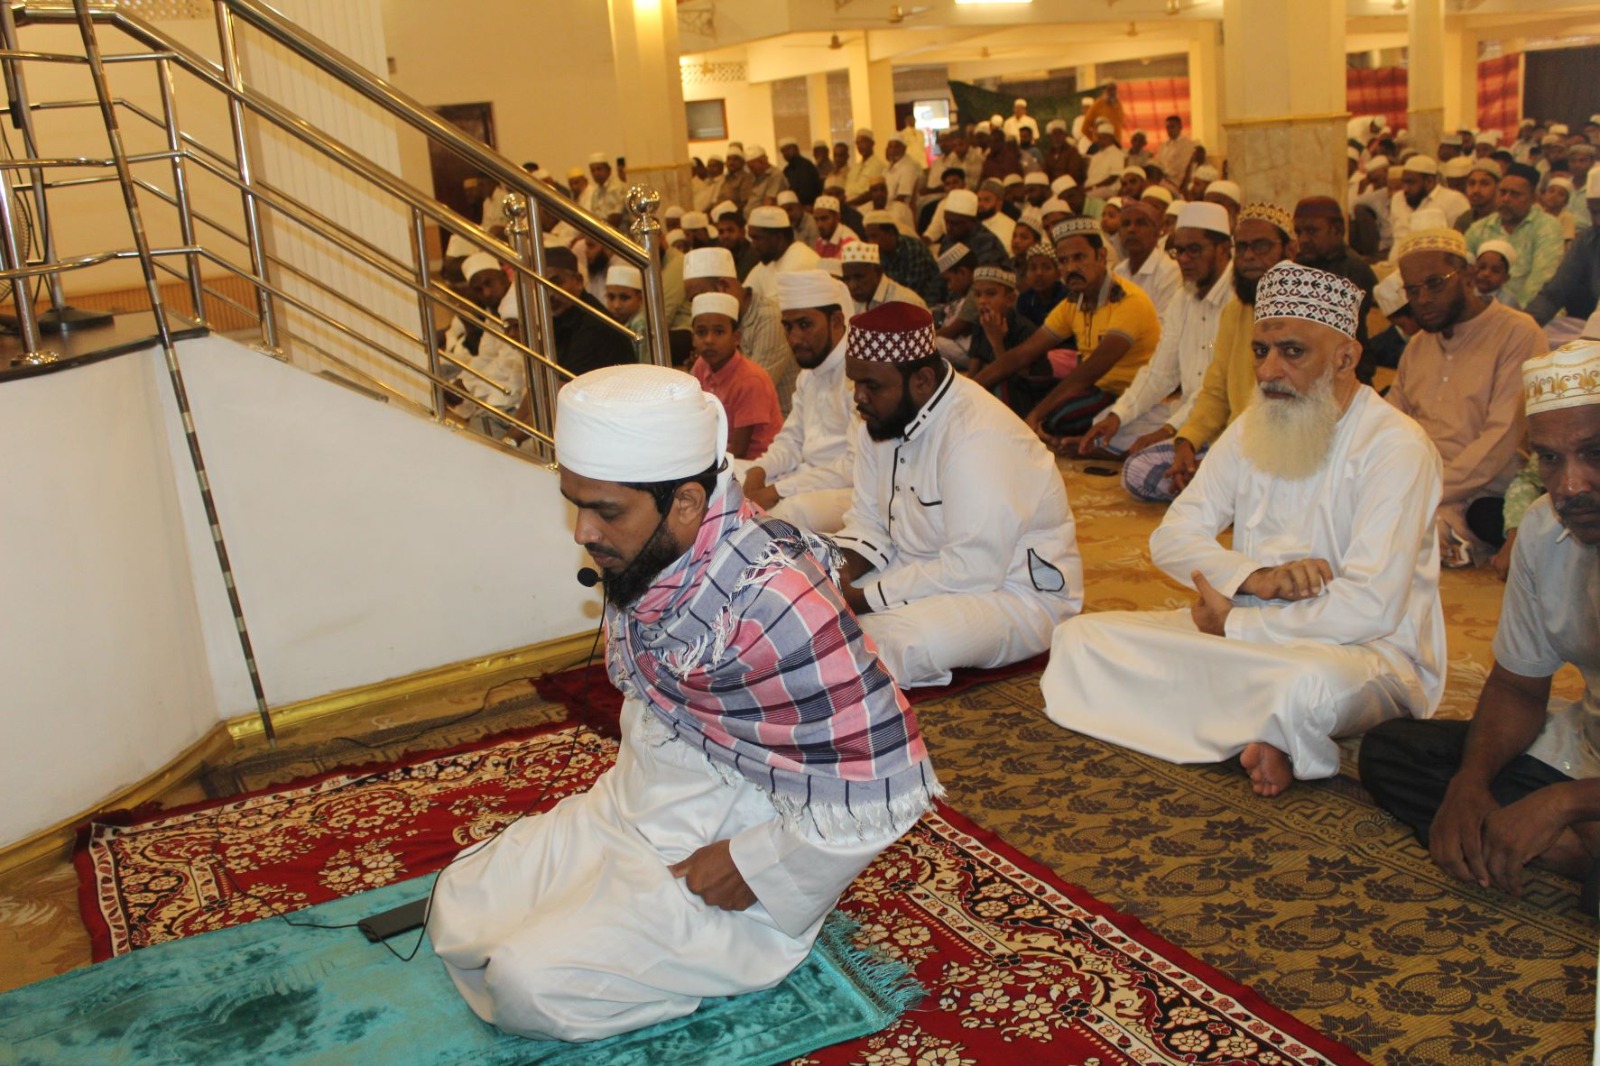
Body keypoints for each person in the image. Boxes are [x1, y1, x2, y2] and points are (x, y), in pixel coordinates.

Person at [430, 363, 939, 1041]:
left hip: (719, 850)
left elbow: (885, 783)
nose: (581, 531)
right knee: (455, 913)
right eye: (575, 501)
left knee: (528, 988)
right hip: (628, 808)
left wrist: (755, 865)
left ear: (689, 504)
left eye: (605, 510)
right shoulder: (652, 559)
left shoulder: (773, 601)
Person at [1041, 261, 1446, 798]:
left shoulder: (1396, 447)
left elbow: (1372, 608)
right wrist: (1255, 578)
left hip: (1365, 653)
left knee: (1301, 687)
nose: (1268, 371)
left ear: (1346, 356)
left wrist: (1237, 627)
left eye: (1292, 352)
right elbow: (1173, 535)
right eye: (1261, 350)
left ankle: (1265, 724)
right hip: (1244, 628)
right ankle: (1259, 734)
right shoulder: (1254, 423)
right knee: (1080, 639)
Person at [1359, 338, 1600, 909]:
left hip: (1583, 792)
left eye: (1594, 452)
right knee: (1395, 752)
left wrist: (1565, 805)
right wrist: (1472, 784)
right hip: (1586, 751)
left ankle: (1569, 849)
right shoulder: (1543, 532)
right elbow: (1518, 687)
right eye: (1549, 459)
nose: (1569, 486)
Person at [832, 302, 1082, 688]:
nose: (859, 398)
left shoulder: (976, 436)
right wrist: (835, 576)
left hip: (1012, 592)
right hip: (921, 567)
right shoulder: (881, 420)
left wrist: (861, 599)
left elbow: (973, 568)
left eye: (872, 386)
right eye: (855, 383)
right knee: (815, 604)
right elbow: (868, 522)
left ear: (922, 381)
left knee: (896, 643)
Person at [1387, 227, 1548, 565]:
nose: (1424, 300)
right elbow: (1389, 423)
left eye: (1435, 283)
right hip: (1418, 490)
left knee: (1401, 536)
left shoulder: (1518, 333)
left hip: (1483, 493)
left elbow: (1501, 440)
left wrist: (1423, 492)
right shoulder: (1418, 346)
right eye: (1413, 291)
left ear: (1468, 273)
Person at [1128, 203, 1296, 503]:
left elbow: (1286, 409)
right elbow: (1215, 390)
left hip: (1282, 446)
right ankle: (1218, 490)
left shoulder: (1303, 317)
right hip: (1230, 441)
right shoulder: (1237, 311)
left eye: (1261, 246)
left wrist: (1222, 459)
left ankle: (1224, 492)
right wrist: (1186, 441)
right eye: (1242, 247)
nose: (1248, 256)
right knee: (1139, 471)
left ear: (1290, 250)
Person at [976, 218, 1163, 436]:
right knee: (1002, 385)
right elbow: (1022, 355)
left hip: (1122, 394)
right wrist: (965, 388)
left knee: (1060, 416)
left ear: (1101, 256)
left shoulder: (1130, 301)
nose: (1071, 268)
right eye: (1063, 261)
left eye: (1079, 257)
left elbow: (1089, 372)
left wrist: (1037, 413)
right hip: (1089, 388)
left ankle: (1030, 423)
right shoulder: (1073, 303)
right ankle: (1028, 424)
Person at [1082, 201, 1234, 458]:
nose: (1184, 259)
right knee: (1104, 428)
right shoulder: (1182, 299)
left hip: (1223, 418)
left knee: (1141, 470)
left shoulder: (1239, 300)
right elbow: (1159, 373)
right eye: (1179, 251)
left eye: (1194, 250)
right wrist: (1117, 416)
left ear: (1223, 250)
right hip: (1183, 410)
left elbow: (1218, 392)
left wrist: (1166, 430)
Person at [738, 271, 858, 534]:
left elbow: (854, 466)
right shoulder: (808, 375)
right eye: (788, 326)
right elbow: (790, 441)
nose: (794, 338)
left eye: (805, 325)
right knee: (729, 473)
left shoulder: (859, 375)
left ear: (837, 321)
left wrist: (779, 490)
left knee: (787, 514)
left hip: (849, 489)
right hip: (803, 477)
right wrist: (760, 470)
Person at [682, 246, 796, 414]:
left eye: (698, 297)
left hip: (775, 427)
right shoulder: (714, 326)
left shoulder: (769, 319)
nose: (697, 306)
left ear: (723, 286)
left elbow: (753, 393)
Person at [688, 293, 783, 461]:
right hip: (716, 454)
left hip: (753, 464)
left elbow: (739, 451)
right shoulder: (701, 366)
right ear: (693, 339)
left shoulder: (750, 380)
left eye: (719, 332)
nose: (709, 340)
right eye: (701, 332)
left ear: (736, 337)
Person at [1465, 163, 1564, 309]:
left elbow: (1542, 278)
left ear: (1533, 198)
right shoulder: (1479, 228)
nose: (1506, 199)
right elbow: (1463, 269)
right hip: (1481, 308)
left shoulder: (1547, 226)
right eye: (1502, 192)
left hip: (1531, 311)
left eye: (1515, 194)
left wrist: (1513, 315)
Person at [1112, 200, 1183, 317]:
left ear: (1157, 232)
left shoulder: (1169, 271)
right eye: (1126, 224)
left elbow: (1163, 324)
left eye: (1140, 223)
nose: (1131, 229)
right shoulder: (1119, 271)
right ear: (1119, 233)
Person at [742, 204, 822, 302]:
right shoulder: (771, 259)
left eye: (757, 238)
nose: (753, 245)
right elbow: (743, 295)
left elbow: (773, 312)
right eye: (751, 238)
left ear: (779, 238)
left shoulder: (801, 262)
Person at [841, 240, 926, 316]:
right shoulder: (853, 302)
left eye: (859, 277)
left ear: (878, 272)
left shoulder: (905, 303)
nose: (852, 286)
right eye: (847, 279)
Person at [1017, 244, 1066, 327]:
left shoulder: (1067, 299)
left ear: (1058, 273)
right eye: (1033, 268)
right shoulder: (1024, 299)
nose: (1039, 273)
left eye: (1046, 268)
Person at [1454, 159, 1501, 233]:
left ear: (1498, 187)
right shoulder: (1464, 220)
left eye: (1484, 184)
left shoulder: (1505, 219)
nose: (1476, 190)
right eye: (1472, 183)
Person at [811, 195, 859, 259]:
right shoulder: (820, 241)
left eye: (824, 218)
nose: (819, 225)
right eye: (816, 219)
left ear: (837, 217)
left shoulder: (849, 243)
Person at [778, 138, 822, 206]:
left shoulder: (806, 166)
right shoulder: (786, 170)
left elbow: (807, 193)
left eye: (788, 149)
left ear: (796, 149)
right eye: (783, 151)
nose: (785, 153)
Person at [742, 145, 788, 210]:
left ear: (762, 162)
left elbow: (769, 202)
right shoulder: (756, 176)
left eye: (752, 167)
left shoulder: (775, 175)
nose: (751, 170)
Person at [1475, 240, 1518, 306]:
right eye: (1482, 267)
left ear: (1505, 278)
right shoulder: (1464, 292)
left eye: (1495, 271)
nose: (1486, 274)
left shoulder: (1509, 302)